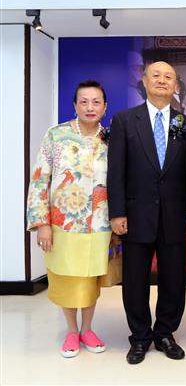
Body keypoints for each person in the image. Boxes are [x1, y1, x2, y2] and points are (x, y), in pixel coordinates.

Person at [107, 61, 186, 365]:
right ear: (144, 81)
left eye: (168, 77)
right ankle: (140, 336)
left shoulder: (185, 123)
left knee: (174, 279)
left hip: (174, 215)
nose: (162, 80)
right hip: (135, 215)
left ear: (176, 85)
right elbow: (116, 170)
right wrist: (117, 212)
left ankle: (165, 333)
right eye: (155, 75)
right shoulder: (124, 120)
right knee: (135, 280)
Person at [26, 80, 113, 358]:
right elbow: (39, 180)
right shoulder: (56, 136)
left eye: (96, 102)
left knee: (90, 279)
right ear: (75, 105)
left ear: (105, 107)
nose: (90, 107)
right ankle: (71, 331)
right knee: (66, 278)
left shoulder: (111, 138)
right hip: (63, 223)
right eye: (84, 102)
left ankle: (87, 328)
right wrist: (42, 224)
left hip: (99, 223)